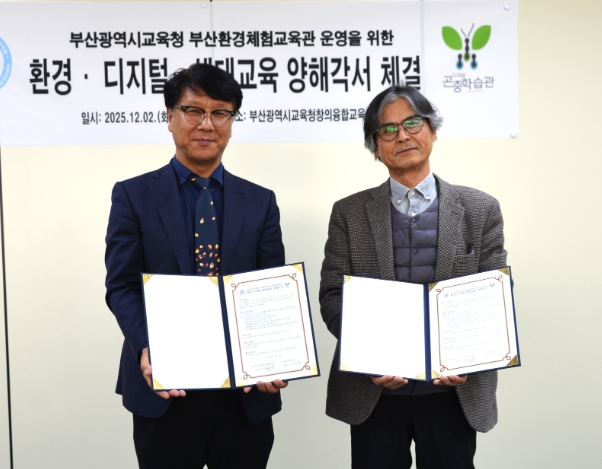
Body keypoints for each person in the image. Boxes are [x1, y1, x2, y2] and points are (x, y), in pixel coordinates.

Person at [105, 63, 287, 469]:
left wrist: (275, 356)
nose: (207, 124)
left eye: (220, 113)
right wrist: (147, 347)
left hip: (243, 393)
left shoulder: (260, 201)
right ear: (170, 117)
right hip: (165, 386)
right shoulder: (133, 196)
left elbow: (270, 288)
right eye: (193, 111)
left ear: (231, 123)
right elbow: (122, 286)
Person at [319, 85, 507, 469]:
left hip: (452, 393)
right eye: (388, 130)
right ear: (375, 146)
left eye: (413, 123)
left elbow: (495, 294)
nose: (402, 136)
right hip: (375, 393)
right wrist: (368, 356)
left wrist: (469, 357)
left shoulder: (480, 209)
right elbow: (332, 295)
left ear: (432, 131)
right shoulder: (348, 213)